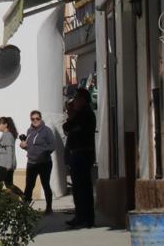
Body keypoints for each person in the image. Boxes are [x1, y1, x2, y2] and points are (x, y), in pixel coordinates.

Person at [63, 89, 97, 228]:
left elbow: (68, 126)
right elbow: (67, 127)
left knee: (82, 188)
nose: (74, 102)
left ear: (83, 99)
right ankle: (82, 216)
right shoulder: (81, 113)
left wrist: (71, 116)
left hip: (82, 153)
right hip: (78, 154)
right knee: (79, 188)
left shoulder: (85, 114)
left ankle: (85, 218)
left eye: (76, 99)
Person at [20, 110, 56, 214]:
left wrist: (44, 153)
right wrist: (24, 146)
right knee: (29, 186)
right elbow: (29, 147)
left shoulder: (47, 131)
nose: (35, 120)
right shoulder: (29, 131)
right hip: (31, 162)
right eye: (33, 119)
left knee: (45, 184)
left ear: (41, 119)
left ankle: (49, 207)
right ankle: (25, 208)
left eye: (37, 118)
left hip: (44, 163)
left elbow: (53, 145)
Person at [0, 117, 19, 189]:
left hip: (4, 165)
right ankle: (25, 198)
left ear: (5, 125)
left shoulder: (7, 135)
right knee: (9, 185)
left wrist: (9, 165)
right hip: (4, 163)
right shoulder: (5, 134)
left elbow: (10, 151)